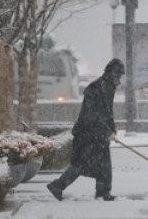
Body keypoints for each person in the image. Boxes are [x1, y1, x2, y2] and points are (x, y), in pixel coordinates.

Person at [47, 58, 125, 201]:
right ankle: (57, 186)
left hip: (100, 134)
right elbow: (90, 113)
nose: (119, 81)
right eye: (117, 77)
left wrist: (112, 127)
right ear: (110, 74)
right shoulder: (94, 88)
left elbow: (108, 111)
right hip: (86, 133)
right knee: (80, 165)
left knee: (105, 165)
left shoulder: (109, 88)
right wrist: (105, 128)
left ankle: (103, 192)